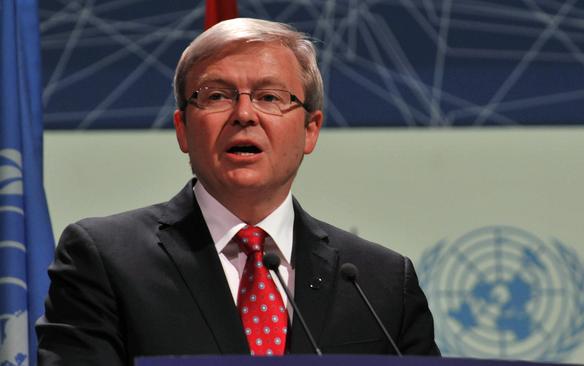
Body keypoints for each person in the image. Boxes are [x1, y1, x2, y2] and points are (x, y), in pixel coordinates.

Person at [36, 18, 440, 365]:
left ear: (310, 129)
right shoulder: (104, 260)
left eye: (269, 97)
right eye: (216, 96)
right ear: (182, 129)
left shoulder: (379, 282)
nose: (244, 115)